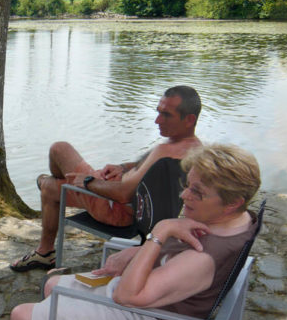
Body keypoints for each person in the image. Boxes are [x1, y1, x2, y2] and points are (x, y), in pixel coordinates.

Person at [9, 144, 261, 320]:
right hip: (154, 306)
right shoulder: (235, 220)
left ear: (233, 203)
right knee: (53, 286)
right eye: (188, 184)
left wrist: (160, 232)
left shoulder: (201, 260)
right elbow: (171, 263)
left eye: (197, 192)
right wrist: (138, 253)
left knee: (22, 317)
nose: (185, 195)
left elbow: (125, 295)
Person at [11, 85, 205, 272]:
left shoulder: (165, 150)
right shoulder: (195, 149)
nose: (157, 120)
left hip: (118, 209)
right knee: (53, 183)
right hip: (132, 206)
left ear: (189, 119)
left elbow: (122, 194)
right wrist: (122, 168)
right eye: (158, 112)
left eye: (166, 115)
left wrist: (87, 181)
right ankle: (49, 185)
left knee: (58, 152)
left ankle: (45, 247)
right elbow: (148, 169)